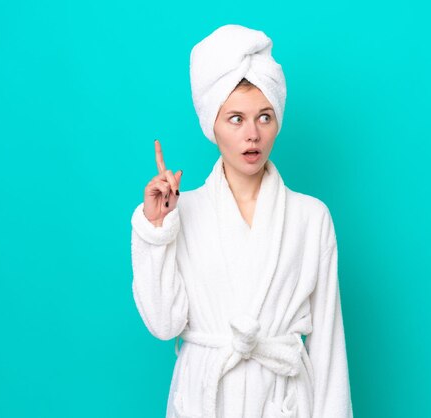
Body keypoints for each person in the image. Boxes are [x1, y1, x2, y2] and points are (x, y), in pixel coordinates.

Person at [131, 24, 354, 418]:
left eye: (264, 117)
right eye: (235, 119)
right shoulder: (183, 213)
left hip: (282, 402)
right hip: (207, 401)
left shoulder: (311, 217)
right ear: (211, 126)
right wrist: (155, 229)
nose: (252, 134)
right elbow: (165, 324)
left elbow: (329, 348)